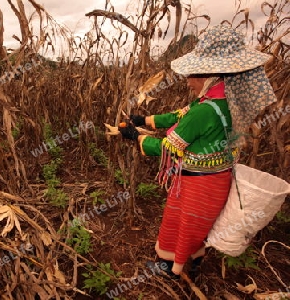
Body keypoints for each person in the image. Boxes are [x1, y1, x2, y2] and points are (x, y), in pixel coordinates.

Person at [118, 24, 277, 280]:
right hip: (218, 179)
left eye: (191, 75)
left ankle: (171, 268)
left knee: (181, 223)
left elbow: (168, 148)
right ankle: (193, 264)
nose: (188, 82)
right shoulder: (224, 101)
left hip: (196, 184)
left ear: (207, 75)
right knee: (199, 225)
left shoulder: (203, 110)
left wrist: (135, 138)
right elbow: (178, 115)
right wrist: (144, 120)